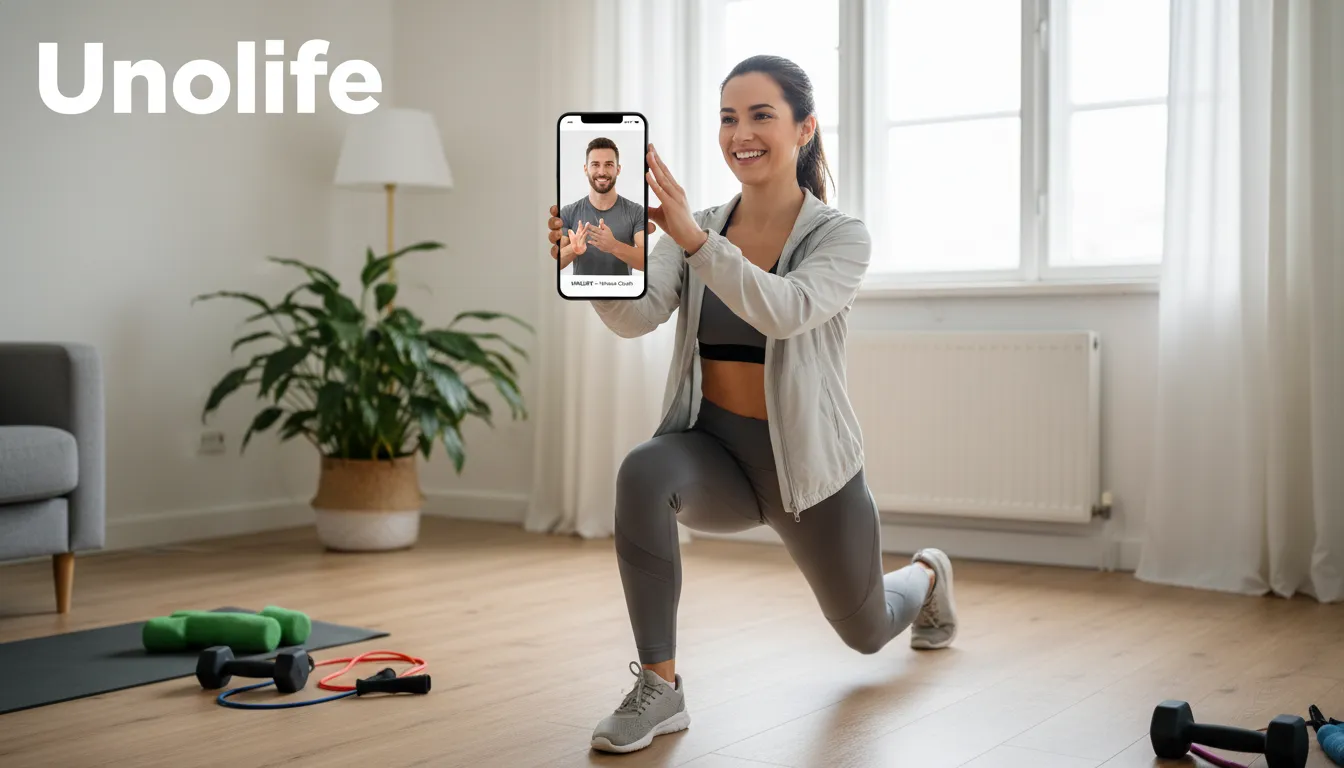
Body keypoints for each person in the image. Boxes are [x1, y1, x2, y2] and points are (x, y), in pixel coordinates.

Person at [544, 55, 959, 755]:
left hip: (811, 474)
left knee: (866, 632)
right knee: (643, 470)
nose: (741, 133)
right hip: (716, 455)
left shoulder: (838, 236)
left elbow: (785, 310)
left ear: (804, 128)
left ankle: (926, 575)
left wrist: (695, 242)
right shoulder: (700, 225)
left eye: (761, 115)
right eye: (728, 118)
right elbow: (639, 317)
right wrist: (592, 271)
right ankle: (660, 687)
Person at [558, 137, 647, 276]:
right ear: (586, 169)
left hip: (622, 291)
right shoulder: (568, 212)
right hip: (583, 290)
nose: (601, 172)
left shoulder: (635, 211)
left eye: (609, 165)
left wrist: (614, 246)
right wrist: (573, 249)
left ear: (618, 169)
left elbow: (646, 262)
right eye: (595, 164)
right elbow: (556, 262)